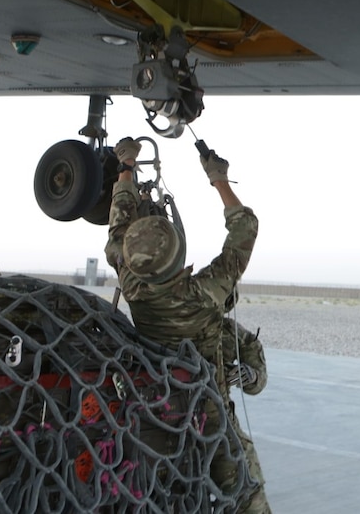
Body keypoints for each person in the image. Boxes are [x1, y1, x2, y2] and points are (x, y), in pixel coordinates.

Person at [104, 137, 270, 513]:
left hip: (159, 412)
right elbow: (245, 229)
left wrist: (127, 166)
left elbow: (117, 231)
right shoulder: (204, 293)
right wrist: (218, 179)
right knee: (246, 492)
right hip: (209, 413)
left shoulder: (134, 285)